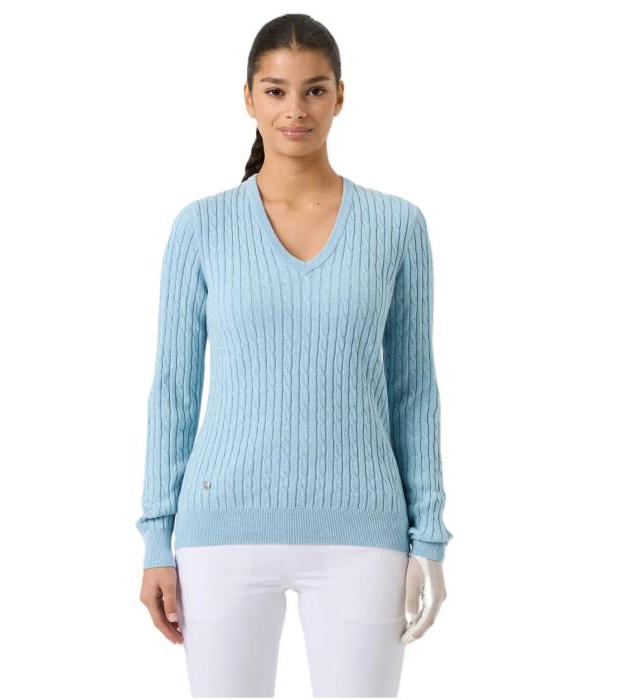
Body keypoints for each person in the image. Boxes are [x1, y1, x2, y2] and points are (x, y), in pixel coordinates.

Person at [135, 13, 454, 697]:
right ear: (248, 98)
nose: (295, 110)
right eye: (276, 91)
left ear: (340, 96)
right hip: (221, 531)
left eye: (314, 90)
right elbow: (173, 392)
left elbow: (414, 391)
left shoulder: (397, 225)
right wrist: (157, 538)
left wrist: (428, 534)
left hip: (363, 532)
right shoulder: (202, 227)